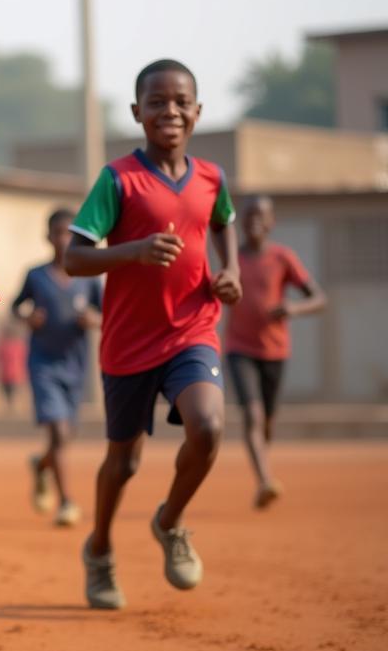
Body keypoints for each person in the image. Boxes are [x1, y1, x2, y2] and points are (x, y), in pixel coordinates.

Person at [65, 59, 242, 610]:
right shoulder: (119, 179)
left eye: (181, 101)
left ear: (198, 111)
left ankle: (170, 521)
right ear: (137, 112)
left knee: (208, 426)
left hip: (193, 327)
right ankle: (99, 550)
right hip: (128, 342)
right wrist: (133, 251)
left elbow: (223, 222)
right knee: (125, 461)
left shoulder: (212, 177)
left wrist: (229, 270)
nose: (170, 110)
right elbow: (73, 258)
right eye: (157, 102)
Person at [224, 195, 326, 509]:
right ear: (241, 222)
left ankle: (262, 472)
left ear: (271, 223)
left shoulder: (283, 258)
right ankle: (265, 480)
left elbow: (319, 298)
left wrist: (293, 308)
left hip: (275, 351)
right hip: (239, 348)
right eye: (249, 215)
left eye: (261, 216)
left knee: (266, 419)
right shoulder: (232, 260)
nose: (255, 221)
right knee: (252, 414)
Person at [12, 209, 102, 526]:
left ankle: (41, 465)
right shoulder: (36, 276)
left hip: (75, 368)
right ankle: (67, 503)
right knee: (60, 432)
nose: (64, 239)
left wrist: (95, 320)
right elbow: (15, 307)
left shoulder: (89, 278)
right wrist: (27, 318)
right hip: (43, 364)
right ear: (48, 236)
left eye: (69, 233)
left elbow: (107, 315)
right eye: (58, 232)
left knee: (66, 435)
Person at [0, 321, 26, 414]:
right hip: (9, 374)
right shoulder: (10, 345)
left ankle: (12, 407)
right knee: (7, 392)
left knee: (12, 392)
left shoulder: (15, 345)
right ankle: (10, 407)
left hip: (12, 374)